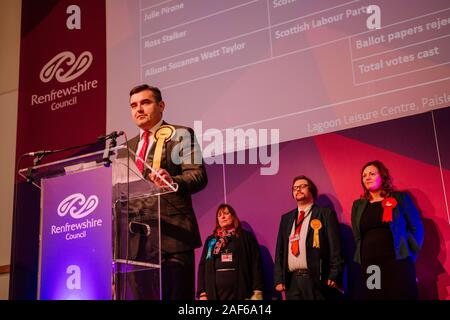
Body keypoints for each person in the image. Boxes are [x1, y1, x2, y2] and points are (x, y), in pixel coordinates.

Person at [122, 84, 208, 300]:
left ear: (161, 105)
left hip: (173, 235)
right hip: (137, 242)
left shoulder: (180, 134)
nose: (139, 109)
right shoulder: (126, 147)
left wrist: (173, 181)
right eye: (134, 105)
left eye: (145, 102)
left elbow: (198, 175)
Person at [351, 160, 424, 299]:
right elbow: (358, 235)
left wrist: (409, 256)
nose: (367, 177)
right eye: (364, 175)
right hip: (371, 267)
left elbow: (416, 228)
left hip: (398, 262)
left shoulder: (400, 198)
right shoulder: (358, 205)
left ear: (383, 176)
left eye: (372, 173)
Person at [274, 175, 344, 300]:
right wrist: (279, 279)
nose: (298, 190)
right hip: (292, 282)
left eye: (302, 186)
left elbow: (335, 248)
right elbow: (280, 250)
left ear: (311, 190)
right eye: (295, 188)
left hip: (316, 279)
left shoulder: (325, 214)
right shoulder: (286, 218)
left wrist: (334, 275)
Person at [197, 204, 264, 300]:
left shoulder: (246, 237)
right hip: (214, 294)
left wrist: (257, 291)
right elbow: (203, 266)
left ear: (233, 216)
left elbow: (256, 264)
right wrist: (202, 293)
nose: (222, 217)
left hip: (241, 292)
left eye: (226, 214)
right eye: (219, 215)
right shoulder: (211, 240)